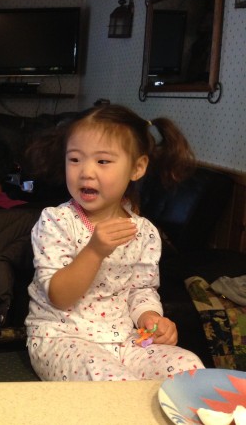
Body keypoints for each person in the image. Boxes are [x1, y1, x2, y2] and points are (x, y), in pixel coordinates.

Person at [25, 104, 204, 381]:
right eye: (75, 159)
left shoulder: (144, 232)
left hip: (125, 339)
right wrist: (94, 251)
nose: (86, 171)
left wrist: (151, 317)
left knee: (188, 367)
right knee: (114, 382)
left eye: (103, 161)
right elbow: (59, 296)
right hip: (61, 338)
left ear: (137, 168)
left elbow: (141, 290)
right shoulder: (56, 221)